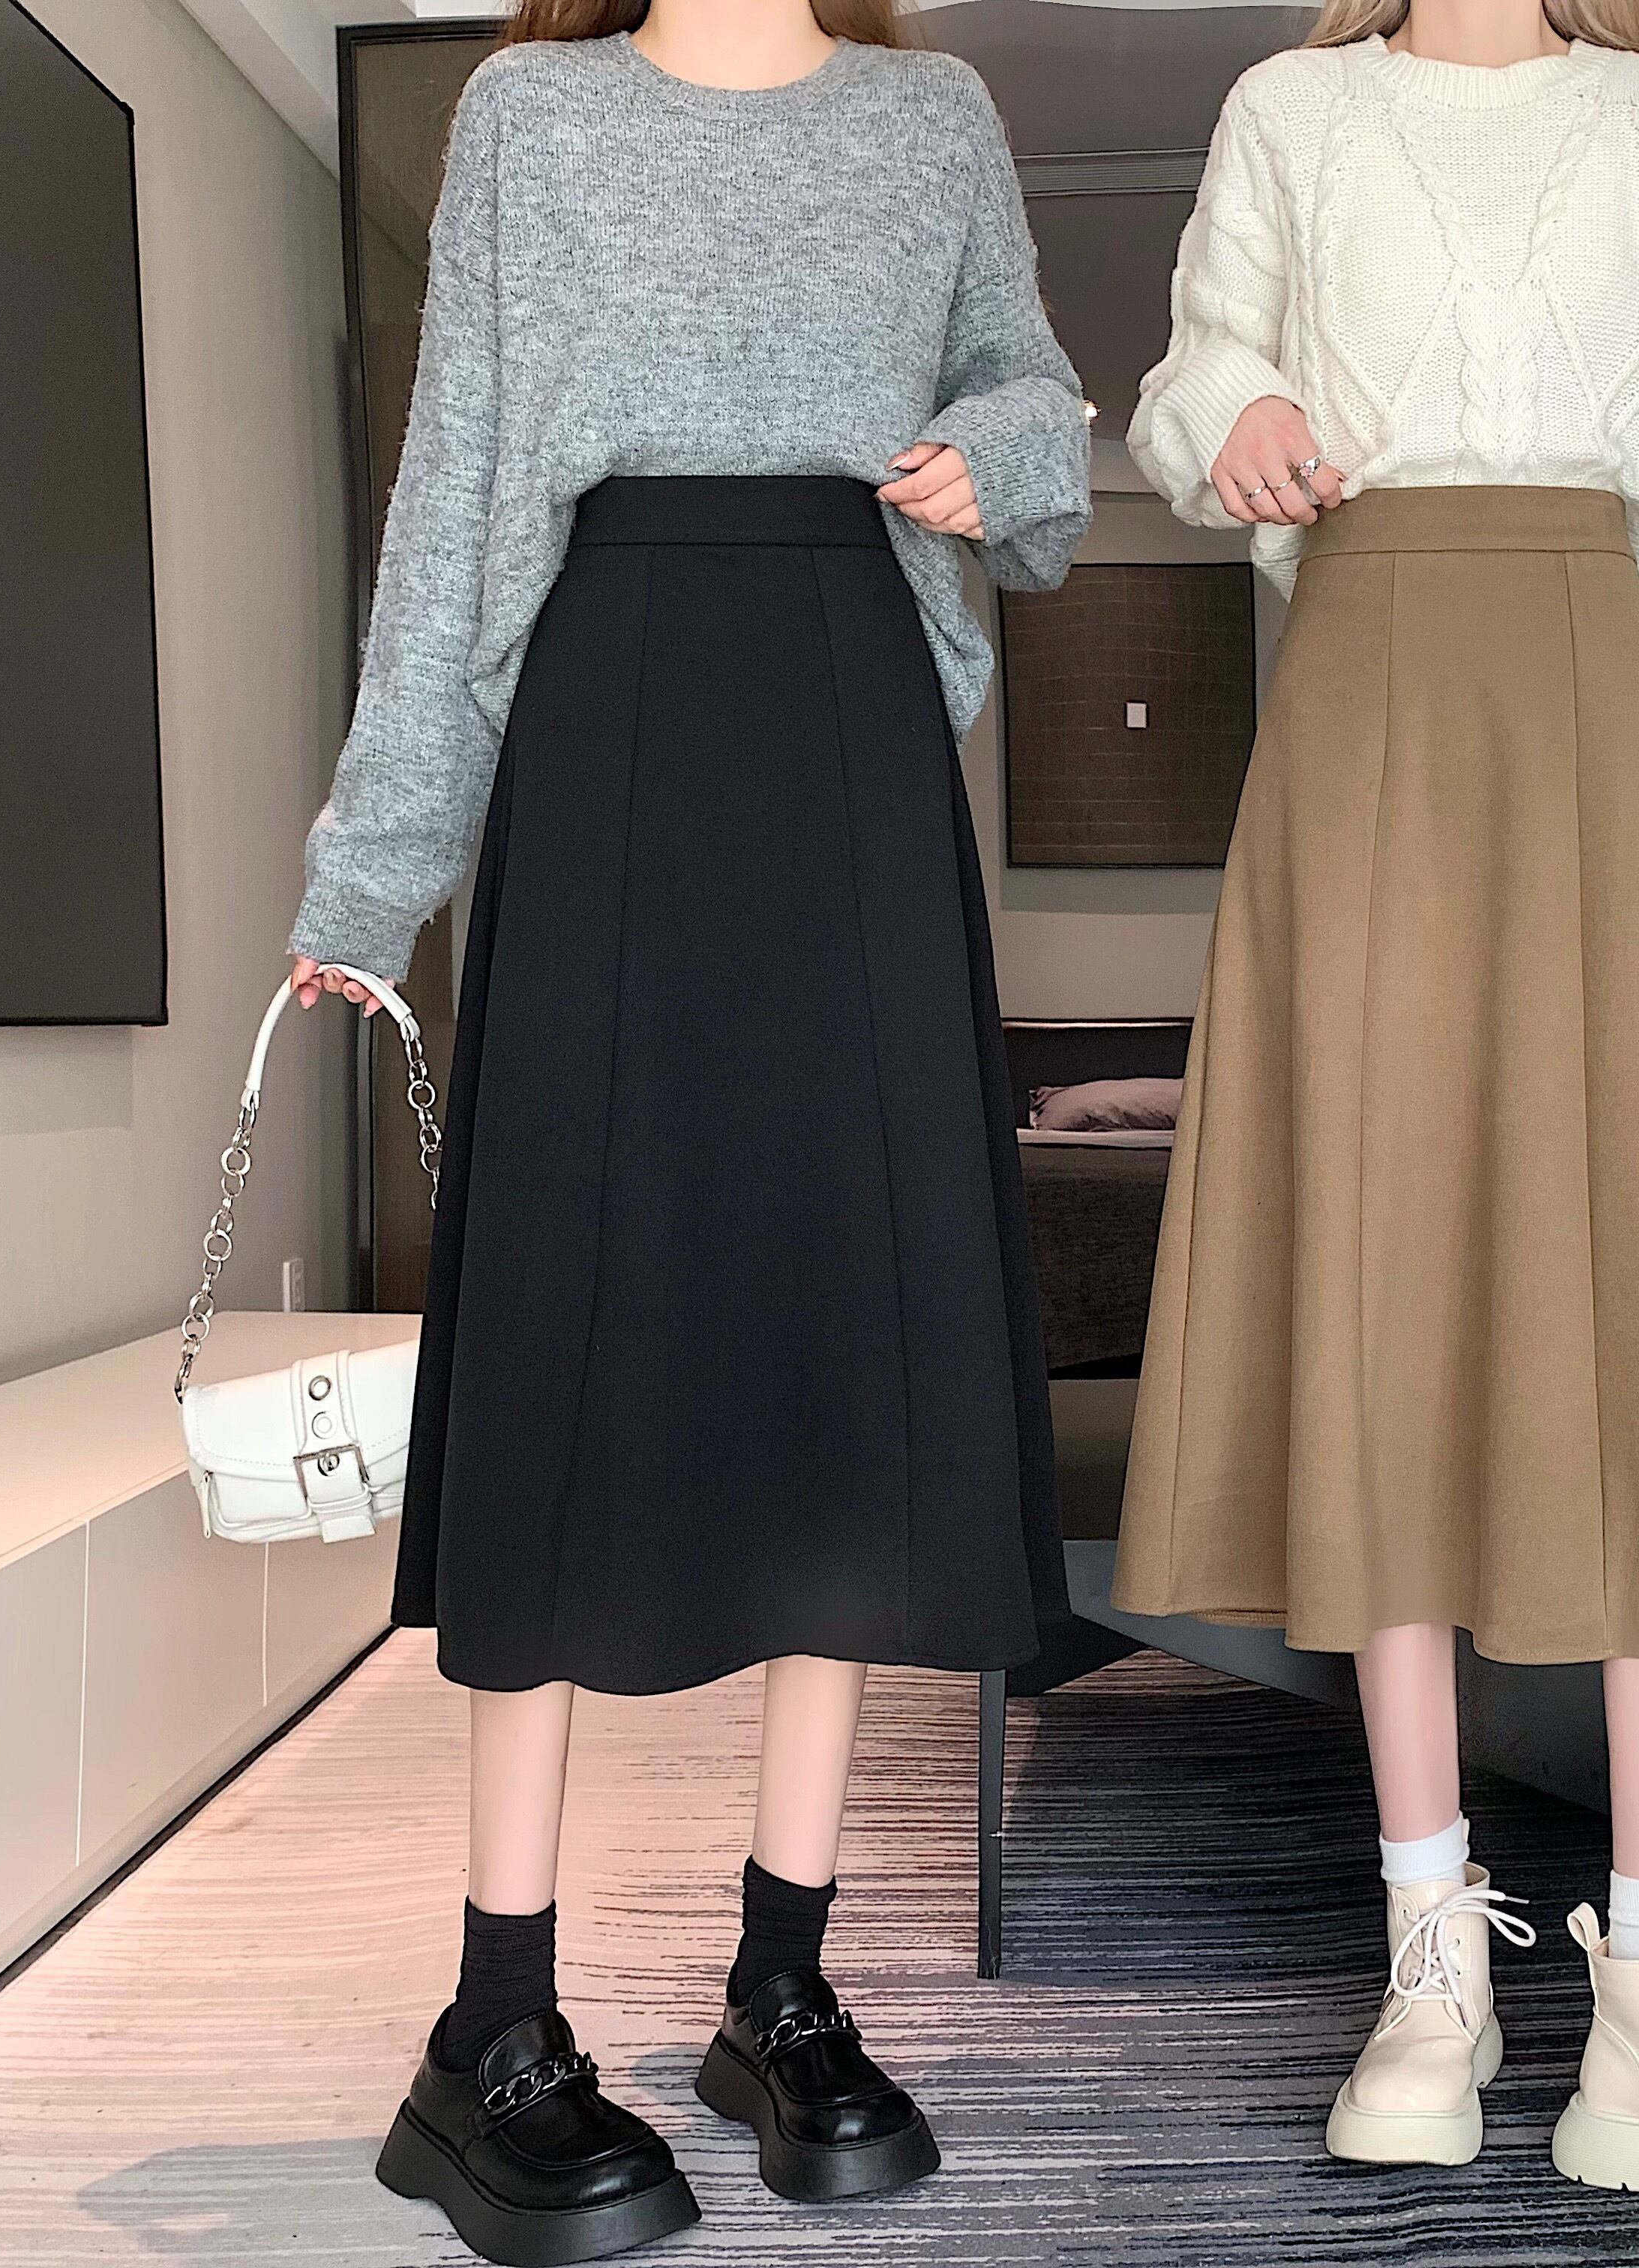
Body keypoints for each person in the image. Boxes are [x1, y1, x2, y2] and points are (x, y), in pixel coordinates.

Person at [1118, 0, 1639, 2209]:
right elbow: (1190, 372)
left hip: (1593, 687)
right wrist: (1234, 413)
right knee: (1386, 1297)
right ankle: (1431, 1957)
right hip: (1363, 703)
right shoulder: (1294, 107)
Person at [287, 2, 1089, 2258]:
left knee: (840, 1364)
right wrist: (373, 872)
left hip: (854, 732)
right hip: (612, 721)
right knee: (566, 1355)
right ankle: (493, 2027)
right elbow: (462, 491)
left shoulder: (934, 117)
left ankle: (781, 1984)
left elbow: (1039, 405)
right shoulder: (530, 117)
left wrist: (993, 450)